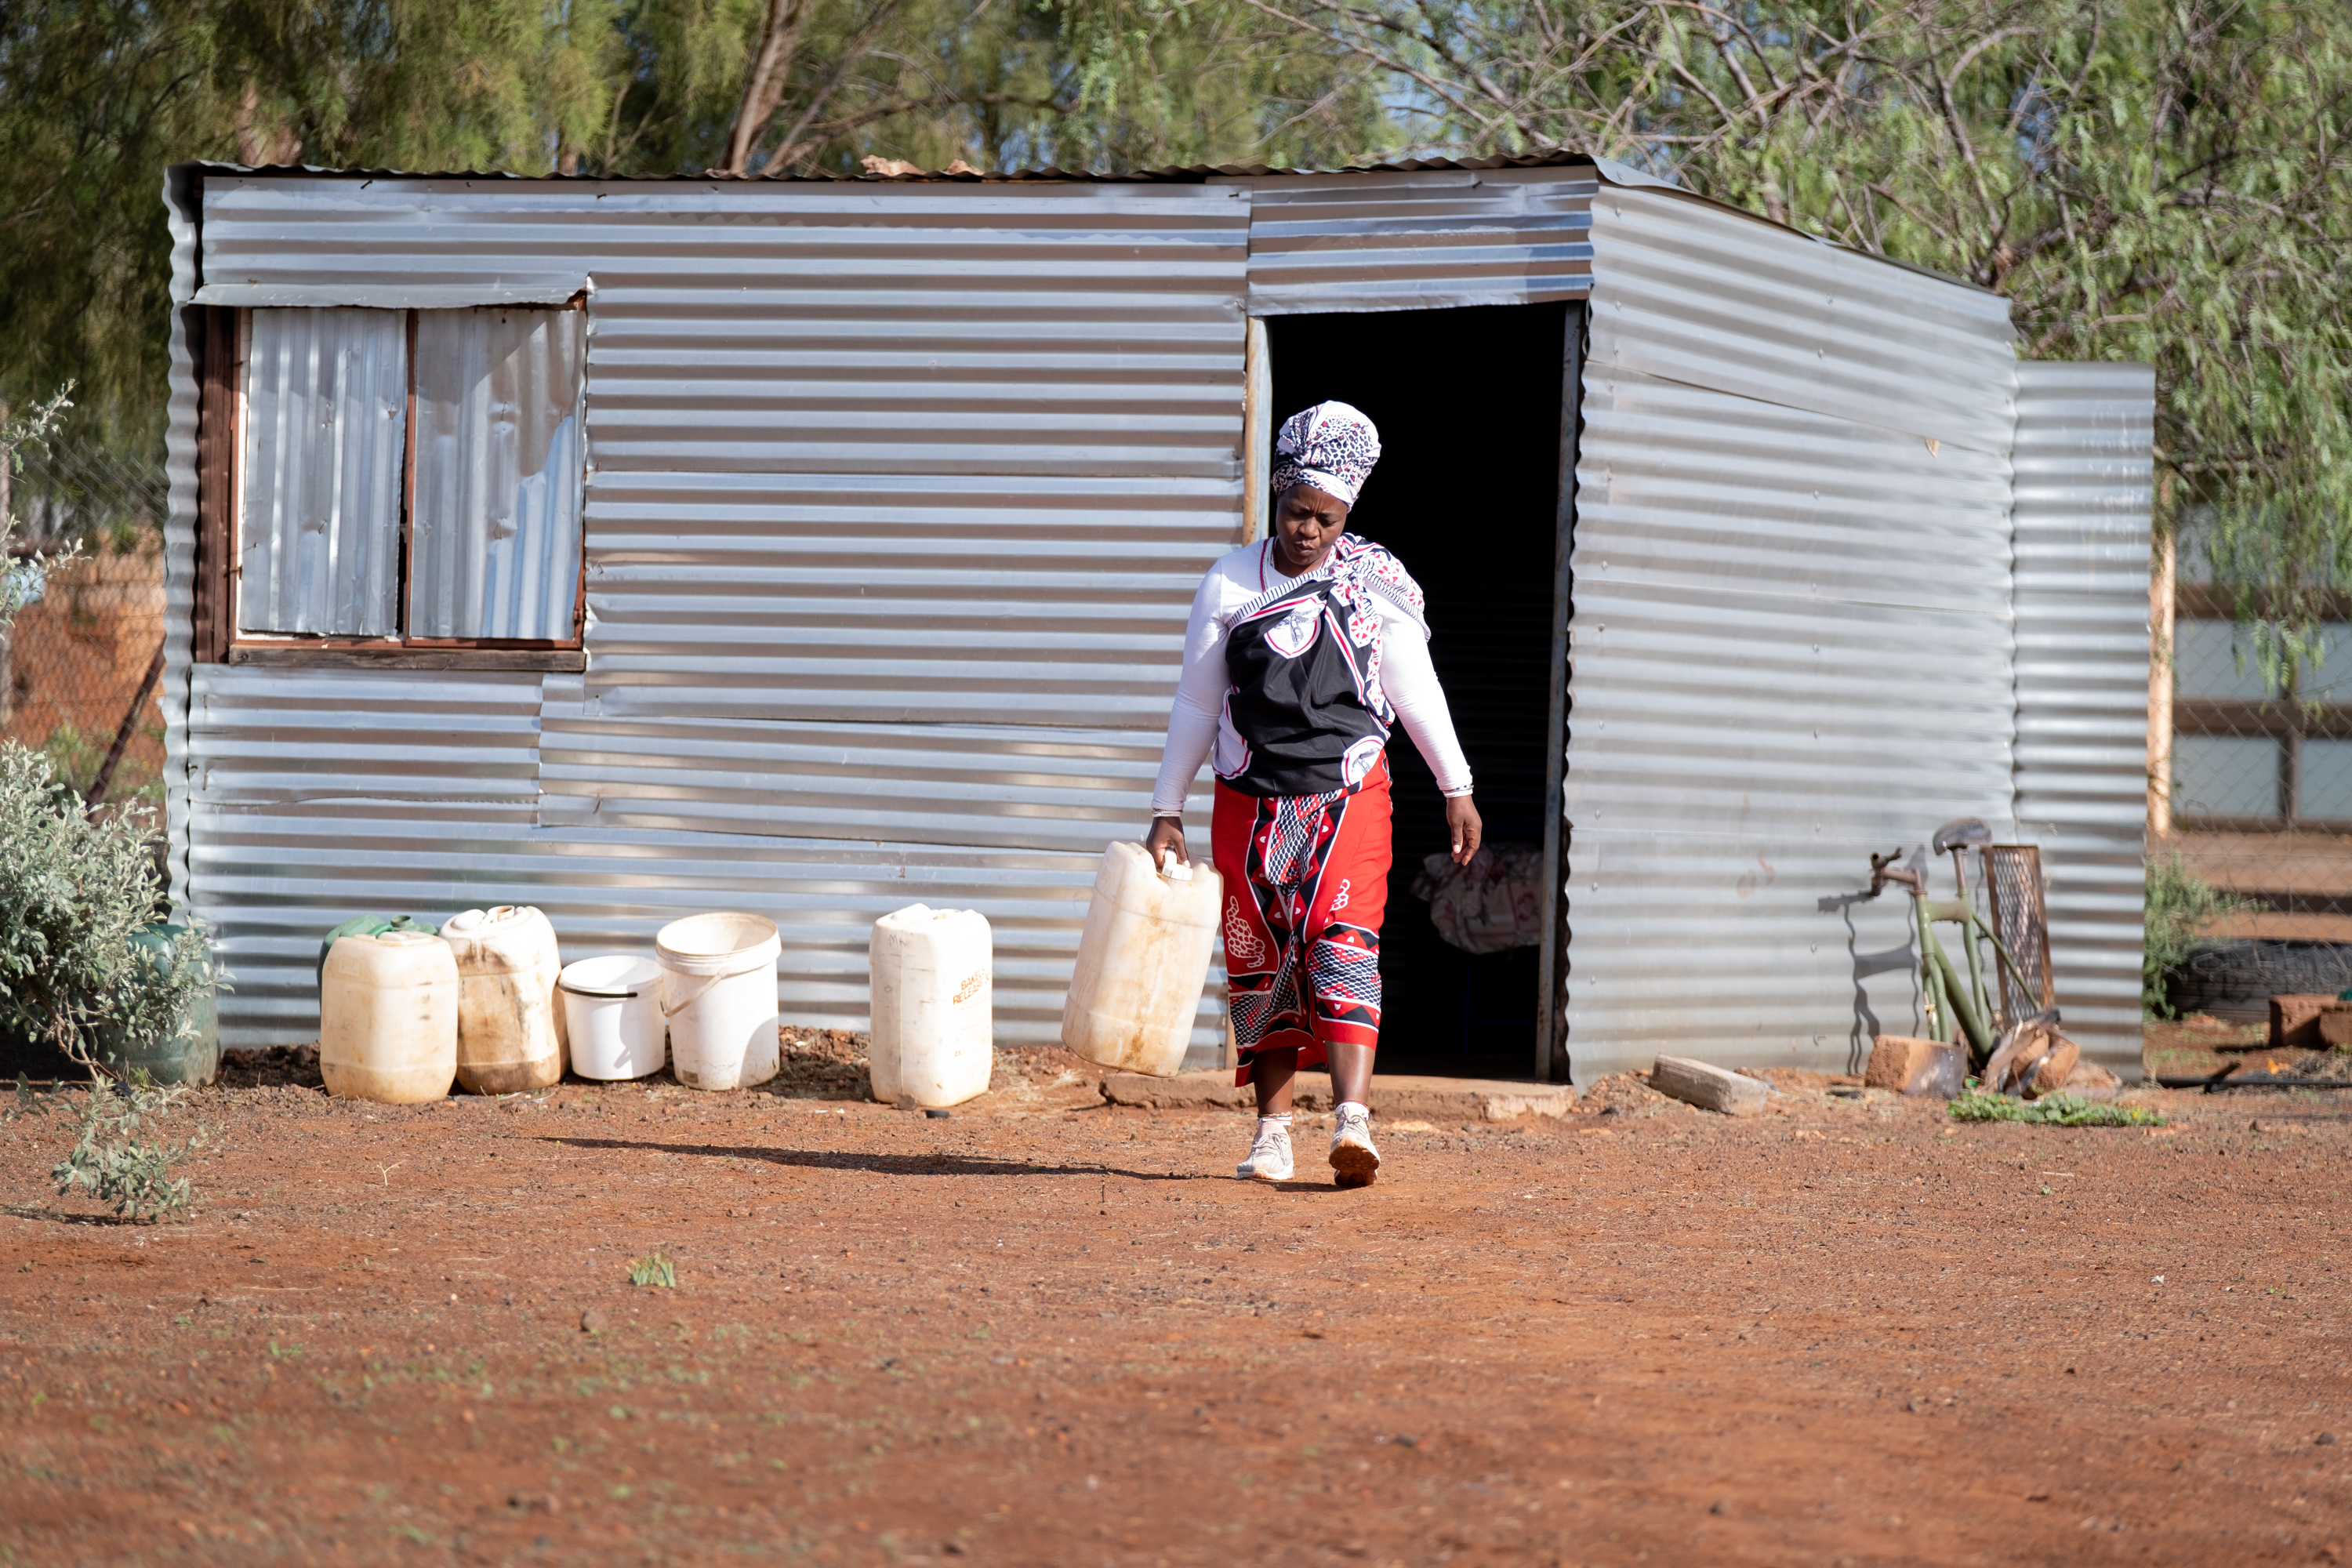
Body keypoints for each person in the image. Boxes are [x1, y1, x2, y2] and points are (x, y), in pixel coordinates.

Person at [1144, 401, 1481, 1188]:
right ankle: (1271, 1133)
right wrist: (1168, 808)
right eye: (1297, 512)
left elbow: (1416, 688)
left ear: (1346, 514)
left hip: (1349, 794)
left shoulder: (1371, 584)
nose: (1308, 531)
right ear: (1276, 500)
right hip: (1248, 802)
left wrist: (1455, 785)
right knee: (1260, 961)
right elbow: (1197, 701)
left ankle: (1353, 1122)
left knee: (1342, 944)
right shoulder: (1229, 582)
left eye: (1325, 519)